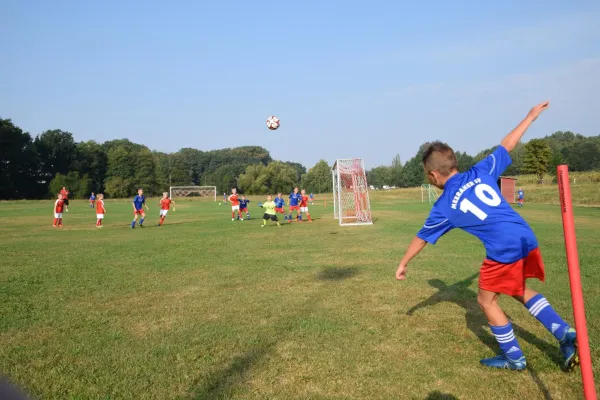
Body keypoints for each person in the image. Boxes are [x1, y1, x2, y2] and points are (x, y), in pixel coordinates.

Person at [395, 101, 578, 372]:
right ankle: (564, 333)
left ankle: (514, 357)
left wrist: (403, 262)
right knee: (516, 289)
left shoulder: (445, 206)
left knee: (486, 300)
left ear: (433, 175)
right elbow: (508, 144)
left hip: (503, 248)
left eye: (427, 175)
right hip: (525, 236)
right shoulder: (481, 171)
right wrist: (530, 117)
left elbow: (422, 237)